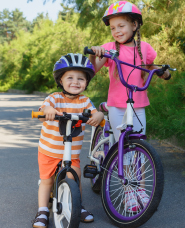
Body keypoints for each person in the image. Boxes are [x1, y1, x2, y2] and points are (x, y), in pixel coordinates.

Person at [89, 1, 170, 213]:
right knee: (124, 148)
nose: (116, 31)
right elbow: (92, 69)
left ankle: (140, 189)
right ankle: (128, 192)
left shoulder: (144, 48)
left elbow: (150, 65)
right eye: (113, 27)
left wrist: (162, 71)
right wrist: (94, 54)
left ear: (134, 25)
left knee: (139, 148)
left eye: (121, 26)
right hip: (117, 105)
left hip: (138, 104)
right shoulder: (109, 48)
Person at [32, 53, 104, 228]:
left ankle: (77, 207)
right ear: (61, 80)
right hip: (49, 150)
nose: (75, 82)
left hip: (71, 153)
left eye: (81, 78)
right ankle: (42, 210)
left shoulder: (85, 101)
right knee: (47, 181)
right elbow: (44, 108)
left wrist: (99, 115)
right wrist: (48, 110)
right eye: (70, 77)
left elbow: (95, 113)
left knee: (75, 178)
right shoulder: (54, 98)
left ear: (86, 82)